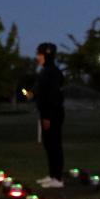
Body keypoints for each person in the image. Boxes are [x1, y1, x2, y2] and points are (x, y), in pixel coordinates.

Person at [33, 42, 66, 188]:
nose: (37, 57)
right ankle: (52, 175)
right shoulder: (46, 71)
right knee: (49, 145)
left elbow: (53, 97)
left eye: (39, 54)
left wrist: (47, 116)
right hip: (47, 113)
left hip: (52, 115)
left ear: (46, 55)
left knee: (54, 145)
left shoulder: (52, 72)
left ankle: (57, 178)